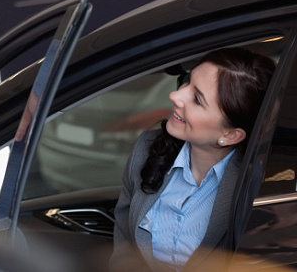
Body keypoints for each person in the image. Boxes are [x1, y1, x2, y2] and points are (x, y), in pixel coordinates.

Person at [110, 47, 276, 272]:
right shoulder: (146, 150)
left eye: (197, 99)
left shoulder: (255, 187)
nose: (175, 95)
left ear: (230, 135)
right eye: (187, 82)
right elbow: (124, 247)